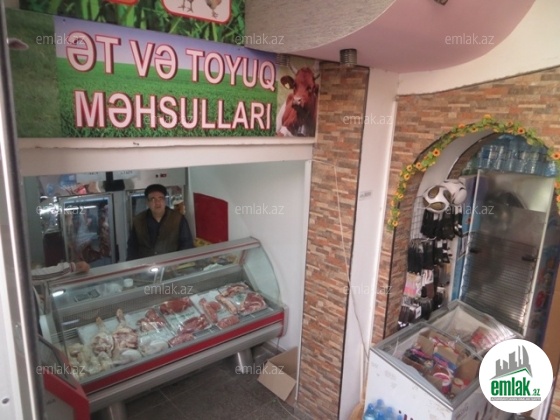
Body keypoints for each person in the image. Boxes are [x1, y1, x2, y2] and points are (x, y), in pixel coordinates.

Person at [126, 184, 194, 260]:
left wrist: (178, 262)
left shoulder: (178, 218)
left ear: (165, 201)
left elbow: (187, 245)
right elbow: (132, 247)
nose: (157, 202)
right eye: (153, 199)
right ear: (147, 203)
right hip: (147, 264)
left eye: (160, 198)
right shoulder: (138, 220)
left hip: (172, 264)